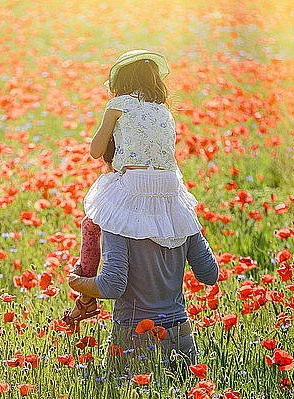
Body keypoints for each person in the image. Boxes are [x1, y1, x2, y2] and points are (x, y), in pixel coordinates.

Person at [63, 49, 203, 329]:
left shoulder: (118, 104)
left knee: (92, 225)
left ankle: (86, 299)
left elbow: (94, 151)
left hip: (132, 185)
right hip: (169, 189)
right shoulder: (164, 111)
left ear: (120, 81)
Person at [67, 229, 219, 375]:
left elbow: (112, 286)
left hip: (135, 342)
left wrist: (76, 282)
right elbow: (210, 275)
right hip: (181, 338)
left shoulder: (118, 220)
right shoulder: (181, 215)